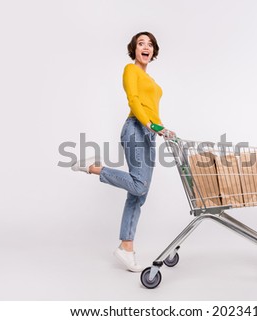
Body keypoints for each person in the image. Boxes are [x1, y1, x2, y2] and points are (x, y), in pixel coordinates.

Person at [71, 31, 175, 272]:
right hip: (136, 129)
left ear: (154, 51)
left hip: (150, 133)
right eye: (141, 44)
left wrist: (161, 128)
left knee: (139, 195)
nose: (146, 47)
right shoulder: (131, 70)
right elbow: (134, 101)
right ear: (134, 49)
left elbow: (152, 109)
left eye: (150, 44)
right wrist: (150, 125)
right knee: (139, 184)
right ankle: (92, 167)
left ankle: (126, 246)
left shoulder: (152, 80)